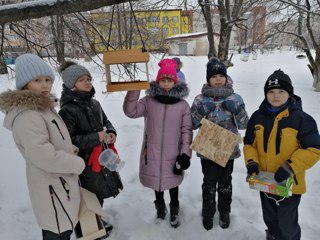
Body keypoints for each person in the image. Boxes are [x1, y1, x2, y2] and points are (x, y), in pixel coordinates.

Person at [0, 54, 85, 240]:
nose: (45, 85)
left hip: (60, 185)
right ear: (24, 84)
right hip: (52, 188)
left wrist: (71, 151)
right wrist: (76, 163)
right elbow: (44, 156)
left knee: (63, 229)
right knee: (57, 232)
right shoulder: (28, 115)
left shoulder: (44, 108)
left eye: (47, 79)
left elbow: (55, 141)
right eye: (37, 80)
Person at [243, 69, 320, 240]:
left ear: (290, 94)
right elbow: (249, 144)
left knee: (287, 224)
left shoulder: (301, 119)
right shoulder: (257, 117)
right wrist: (252, 163)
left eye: (281, 91)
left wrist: (289, 167)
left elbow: (314, 149)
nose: (275, 95)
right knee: (269, 219)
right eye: (271, 91)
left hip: (290, 185)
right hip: (265, 183)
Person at [123, 58, 192, 228]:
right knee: (157, 182)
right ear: (158, 81)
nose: (166, 83)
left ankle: (174, 208)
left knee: (173, 181)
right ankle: (160, 207)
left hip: (173, 152)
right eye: (163, 80)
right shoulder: (148, 101)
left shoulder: (182, 106)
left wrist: (185, 154)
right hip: (152, 152)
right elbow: (130, 111)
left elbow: (186, 130)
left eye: (169, 80)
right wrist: (134, 89)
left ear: (175, 82)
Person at [58, 61, 117, 236]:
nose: (87, 82)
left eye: (88, 79)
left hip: (101, 157)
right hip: (84, 162)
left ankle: (97, 219)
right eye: (81, 79)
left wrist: (112, 132)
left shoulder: (95, 103)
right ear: (71, 84)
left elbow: (106, 122)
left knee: (99, 192)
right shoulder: (67, 111)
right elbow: (69, 141)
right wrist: (96, 137)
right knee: (88, 194)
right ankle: (88, 228)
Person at [191, 57, 249, 230]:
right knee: (209, 182)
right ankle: (208, 212)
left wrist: (237, 110)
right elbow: (191, 124)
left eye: (221, 75)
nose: (218, 78)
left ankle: (224, 211)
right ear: (208, 79)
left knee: (225, 182)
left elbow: (245, 124)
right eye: (214, 75)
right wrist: (200, 112)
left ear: (226, 77)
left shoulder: (235, 98)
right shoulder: (200, 99)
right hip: (208, 147)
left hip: (227, 148)